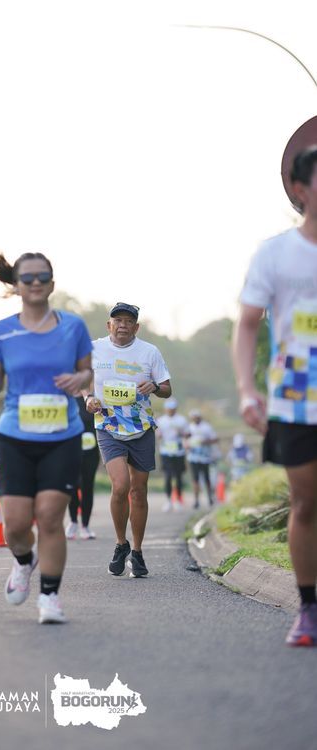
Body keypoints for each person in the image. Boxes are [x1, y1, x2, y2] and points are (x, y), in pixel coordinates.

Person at [0, 252, 92, 624]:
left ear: (52, 284)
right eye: (28, 278)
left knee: (51, 517)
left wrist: (79, 379)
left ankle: (50, 598)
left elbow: (87, 372)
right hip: (15, 437)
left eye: (43, 276)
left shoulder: (73, 327)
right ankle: (24, 561)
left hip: (63, 435)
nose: (36, 282)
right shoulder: (2, 331)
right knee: (16, 525)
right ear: (16, 286)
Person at [232, 145, 317, 647]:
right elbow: (247, 325)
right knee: (306, 502)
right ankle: (308, 608)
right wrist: (247, 390)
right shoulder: (275, 254)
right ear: (301, 190)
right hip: (296, 399)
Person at [85, 302, 171, 577]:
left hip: (141, 426)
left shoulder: (149, 352)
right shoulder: (94, 348)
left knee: (139, 491)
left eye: (128, 321)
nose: (123, 325)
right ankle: (120, 543)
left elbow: (167, 389)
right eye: (118, 320)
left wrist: (154, 386)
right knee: (121, 485)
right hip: (108, 424)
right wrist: (88, 397)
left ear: (136, 327)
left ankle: (137, 551)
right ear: (108, 325)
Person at [65, 395, 99, 540]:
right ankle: (73, 521)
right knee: (72, 487)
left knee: (87, 487)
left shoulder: (94, 399)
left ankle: (85, 525)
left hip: (90, 452)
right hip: (71, 451)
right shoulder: (67, 399)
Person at [186, 409, 219, 509]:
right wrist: (187, 444)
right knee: (195, 479)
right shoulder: (189, 427)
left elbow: (215, 439)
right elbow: (185, 439)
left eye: (196, 417)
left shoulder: (207, 427)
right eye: (193, 417)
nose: (195, 419)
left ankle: (210, 498)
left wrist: (205, 442)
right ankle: (196, 501)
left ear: (200, 417)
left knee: (206, 479)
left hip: (205, 458)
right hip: (193, 457)